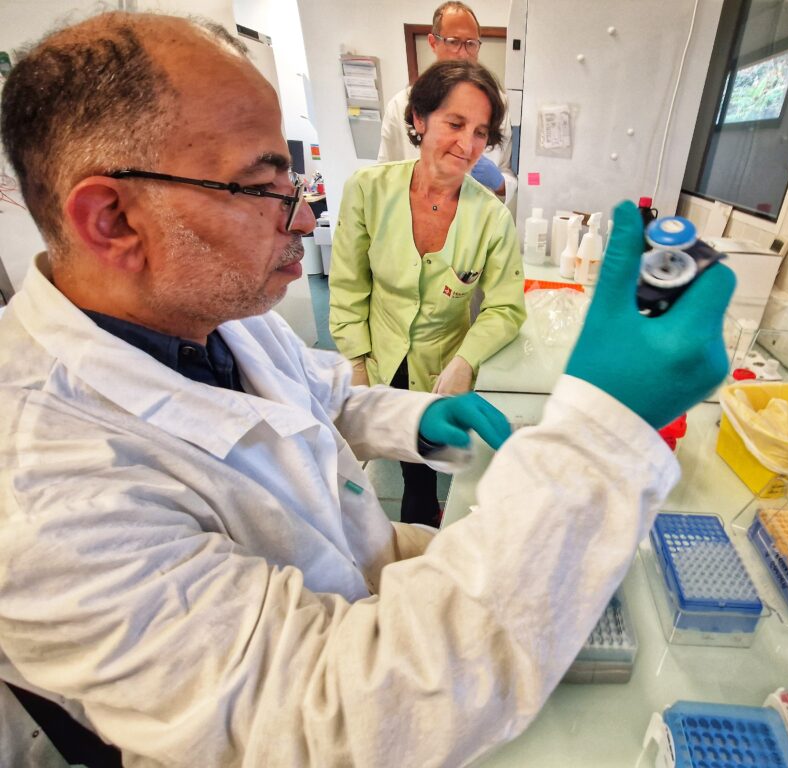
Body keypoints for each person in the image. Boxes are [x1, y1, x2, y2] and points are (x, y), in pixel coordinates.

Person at [0, 11, 735, 768]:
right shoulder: (44, 500)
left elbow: (318, 403)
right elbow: (336, 717)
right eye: (259, 186)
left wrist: (417, 418)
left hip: (363, 568)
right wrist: (601, 433)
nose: (303, 213)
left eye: (291, 178)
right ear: (111, 218)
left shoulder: (206, 311)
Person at [330, 59, 526, 528]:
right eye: (455, 124)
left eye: (480, 132)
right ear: (419, 120)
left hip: (441, 364)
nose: (467, 145)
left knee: (430, 464)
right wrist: (356, 363)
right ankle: (403, 517)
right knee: (382, 463)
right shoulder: (368, 190)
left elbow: (505, 306)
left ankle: (427, 511)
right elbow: (348, 285)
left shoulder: (491, 217)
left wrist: (466, 360)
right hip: (379, 352)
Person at [377, 1, 517, 206]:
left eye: (471, 43)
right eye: (453, 42)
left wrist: (499, 182)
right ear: (433, 43)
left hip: (475, 219)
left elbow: (506, 171)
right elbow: (384, 174)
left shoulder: (497, 103)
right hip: (417, 216)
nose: (463, 53)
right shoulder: (402, 104)